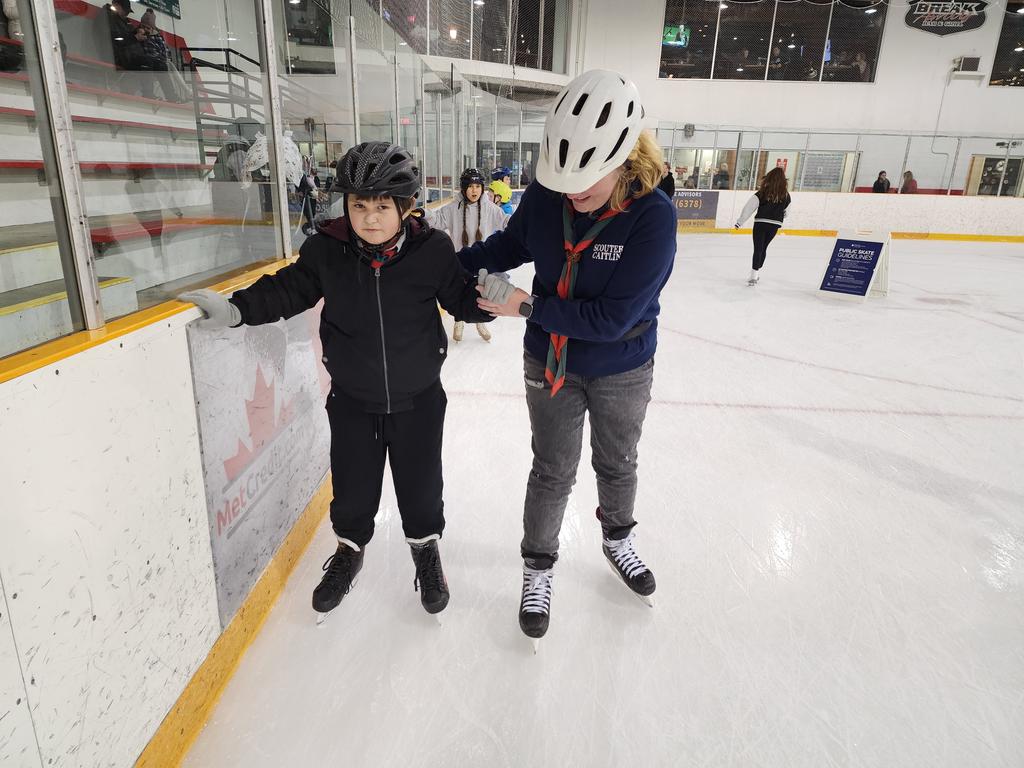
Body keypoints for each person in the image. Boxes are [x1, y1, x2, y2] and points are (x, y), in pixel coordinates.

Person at [178, 142, 496, 622]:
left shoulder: (432, 251)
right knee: (352, 488)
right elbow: (288, 288)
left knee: (421, 485)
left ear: (405, 208)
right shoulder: (327, 251)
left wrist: (489, 298)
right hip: (353, 400)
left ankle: (425, 551)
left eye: (382, 207)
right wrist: (238, 308)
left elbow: (459, 300)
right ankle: (349, 550)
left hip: (418, 401)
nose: (370, 218)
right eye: (359, 206)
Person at [458, 70, 676, 648]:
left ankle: (617, 537)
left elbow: (611, 320)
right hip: (549, 363)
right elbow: (503, 249)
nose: (572, 194)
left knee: (618, 460)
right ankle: (538, 566)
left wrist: (528, 307)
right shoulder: (547, 197)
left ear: (625, 161)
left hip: (621, 366)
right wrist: (436, 264)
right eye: (565, 181)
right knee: (552, 469)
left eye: (587, 182)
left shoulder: (653, 218)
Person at [427, 167, 509, 343]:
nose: (474, 190)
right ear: (464, 188)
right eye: (470, 186)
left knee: (480, 294)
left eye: (478, 186)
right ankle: (459, 321)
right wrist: (424, 215)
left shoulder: (490, 208)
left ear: (482, 188)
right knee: (460, 294)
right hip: (461, 261)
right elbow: (437, 221)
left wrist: (516, 223)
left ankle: (480, 323)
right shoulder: (452, 208)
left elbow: (504, 221)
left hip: (482, 262)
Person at [104, 1, 181, 101]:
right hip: (121, 56)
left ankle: (172, 97)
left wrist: (136, 32)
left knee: (161, 64)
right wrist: (135, 37)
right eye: (126, 11)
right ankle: (148, 94)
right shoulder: (108, 18)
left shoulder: (123, 21)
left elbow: (126, 35)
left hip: (131, 55)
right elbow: (114, 39)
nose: (127, 14)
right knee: (147, 61)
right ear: (117, 6)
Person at [734, 167, 791, 286]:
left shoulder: (762, 192)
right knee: (764, 248)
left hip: (760, 223)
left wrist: (740, 222)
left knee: (758, 248)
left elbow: (749, 207)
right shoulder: (786, 195)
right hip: (775, 225)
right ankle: (757, 269)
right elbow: (786, 213)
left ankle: (754, 275)